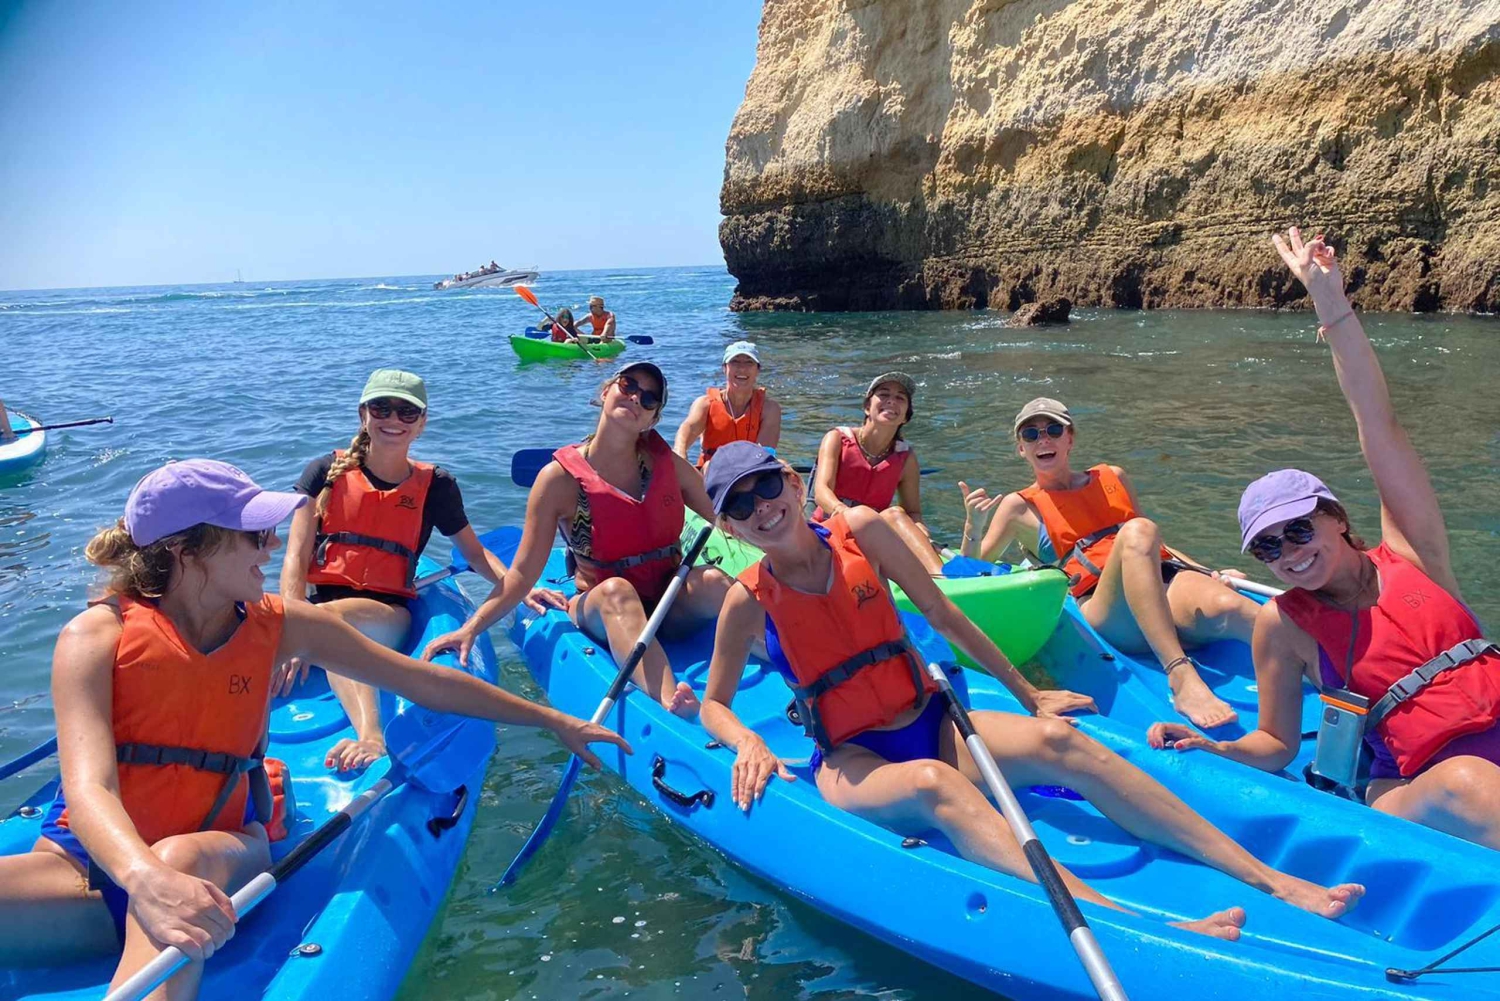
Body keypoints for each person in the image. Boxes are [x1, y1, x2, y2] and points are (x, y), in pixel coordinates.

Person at [0, 459, 625, 1000]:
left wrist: (554, 719)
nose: (272, 547)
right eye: (253, 534)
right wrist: (142, 879)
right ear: (187, 551)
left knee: (180, 859)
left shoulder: (281, 624)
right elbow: (89, 790)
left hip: (217, 852)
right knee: (157, 870)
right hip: (95, 866)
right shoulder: (96, 637)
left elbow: (422, 682)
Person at [699, 442, 1363, 940]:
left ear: (792, 482)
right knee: (933, 783)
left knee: (1059, 740)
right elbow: (714, 703)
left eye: (767, 486)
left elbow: (944, 615)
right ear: (728, 526)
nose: (761, 507)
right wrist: (746, 740)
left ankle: (1271, 879)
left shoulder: (865, 530)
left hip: (929, 720)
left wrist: (1029, 695)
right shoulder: (746, 600)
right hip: (853, 760)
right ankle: (1127, 923)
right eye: (740, 504)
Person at [1147, 227, 1500, 851]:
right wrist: (1216, 748)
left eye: (1298, 529)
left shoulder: (1413, 553)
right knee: (1468, 784)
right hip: (1416, 783)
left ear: (1336, 517)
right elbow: (1278, 742)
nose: (1288, 553)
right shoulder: (1283, 625)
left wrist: (1330, 302)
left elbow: (1378, 424)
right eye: (1268, 547)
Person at [281, 369, 565, 772]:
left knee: (328, 621)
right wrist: (290, 626)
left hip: (386, 613)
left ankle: (371, 737)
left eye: (407, 412)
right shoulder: (323, 472)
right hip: (315, 607)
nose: (393, 420)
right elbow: (294, 558)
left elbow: (475, 554)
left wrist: (522, 588)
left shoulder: (436, 486)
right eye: (381, 408)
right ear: (363, 414)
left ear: (422, 423)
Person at [424, 362, 730, 717]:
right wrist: (471, 628)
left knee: (713, 581)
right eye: (628, 385)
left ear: (652, 419)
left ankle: (782, 655)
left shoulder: (668, 465)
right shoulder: (558, 480)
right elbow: (521, 574)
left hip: (667, 599)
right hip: (601, 604)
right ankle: (671, 702)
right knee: (617, 591)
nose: (635, 398)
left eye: (649, 399)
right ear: (606, 391)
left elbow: (725, 520)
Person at [961, 398, 1259, 730]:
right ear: (1021, 449)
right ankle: (1180, 674)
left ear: (1070, 438)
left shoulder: (1112, 476)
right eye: (1031, 434)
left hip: (1161, 581)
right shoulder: (1018, 507)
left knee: (1235, 608)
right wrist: (974, 527)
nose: (1043, 439)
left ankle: (1309, 668)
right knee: (1137, 531)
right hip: (1107, 606)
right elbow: (967, 573)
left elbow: (1154, 546)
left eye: (1053, 430)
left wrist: (1203, 571)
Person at [812, 373, 944, 575]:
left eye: (900, 398)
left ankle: (941, 577)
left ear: (906, 416)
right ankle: (939, 576)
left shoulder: (906, 458)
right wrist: (847, 514)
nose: (891, 401)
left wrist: (920, 528)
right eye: (883, 394)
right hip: (829, 530)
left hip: (873, 537)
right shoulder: (836, 439)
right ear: (867, 407)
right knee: (892, 514)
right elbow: (822, 492)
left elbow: (913, 512)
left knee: (895, 514)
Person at [673, 341, 782, 470]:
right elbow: (689, 428)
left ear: (757, 370)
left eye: (749, 363)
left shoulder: (769, 409)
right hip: (710, 472)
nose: (742, 368)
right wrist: (680, 454)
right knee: (707, 466)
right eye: (735, 362)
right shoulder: (705, 404)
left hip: (750, 473)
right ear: (725, 368)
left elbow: (762, 454)